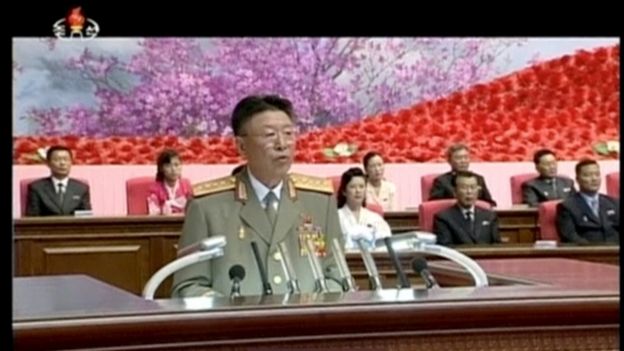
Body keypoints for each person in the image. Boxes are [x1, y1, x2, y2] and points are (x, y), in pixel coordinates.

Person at [172, 95, 344, 297]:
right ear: (241, 146)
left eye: (288, 133)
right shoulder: (207, 206)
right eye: (269, 135)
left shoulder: (319, 201)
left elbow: (338, 277)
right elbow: (188, 287)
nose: (282, 144)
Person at [556, 159, 619, 244]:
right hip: (587, 253)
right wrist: (594, 250)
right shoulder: (567, 206)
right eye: (588, 175)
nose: (594, 179)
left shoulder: (614, 203)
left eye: (597, 175)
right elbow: (570, 235)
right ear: (578, 179)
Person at [433, 171, 500, 246]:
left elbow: (497, 245)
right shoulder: (443, 218)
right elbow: (446, 247)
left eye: (473, 187)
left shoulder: (490, 216)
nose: (469, 192)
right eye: (464, 188)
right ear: (455, 192)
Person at [25, 145, 91, 216]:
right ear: (48, 163)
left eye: (66, 159)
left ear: (71, 163)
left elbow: (85, 217)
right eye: (57, 159)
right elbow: (32, 218)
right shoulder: (36, 188)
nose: (62, 163)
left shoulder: (81, 188)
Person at [336, 167, 391, 250]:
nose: (358, 191)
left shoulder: (375, 218)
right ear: (344, 191)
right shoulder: (336, 217)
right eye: (353, 187)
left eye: (361, 187)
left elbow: (385, 244)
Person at [429, 144, 496, 206]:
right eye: (459, 158)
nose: (463, 161)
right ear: (449, 161)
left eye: (466, 157)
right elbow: (434, 205)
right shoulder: (441, 181)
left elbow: (489, 203)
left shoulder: (479, 179)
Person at [147, 149, 193, 215]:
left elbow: (192, 209)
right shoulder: (154, 190)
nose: (173, 169)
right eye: (168, 166)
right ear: (161, 169)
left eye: (176, 165)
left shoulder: (187, 186)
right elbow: (153, 214)